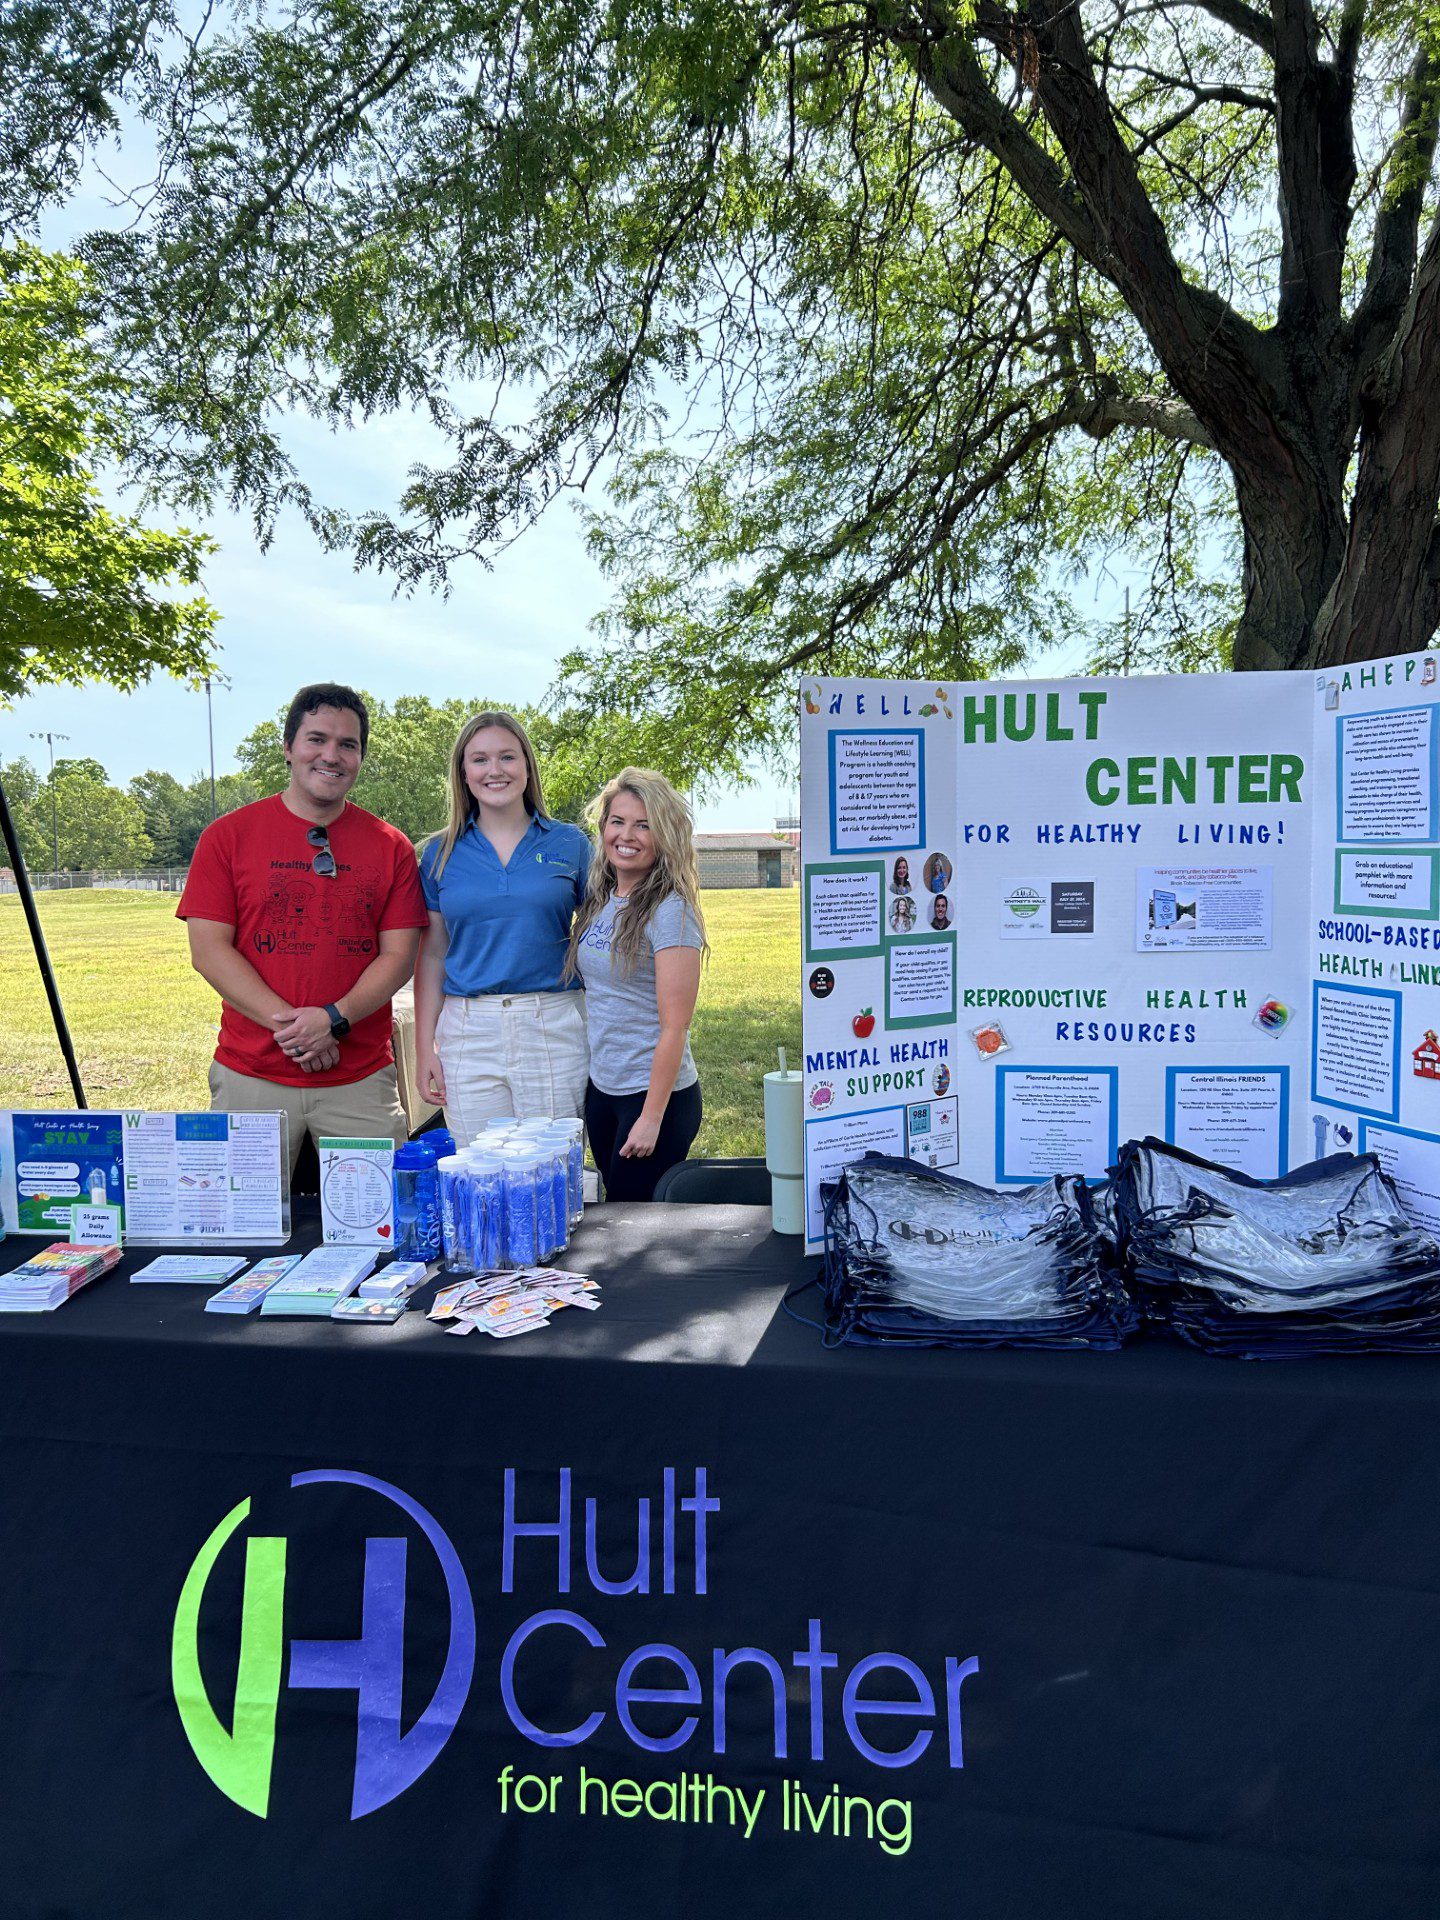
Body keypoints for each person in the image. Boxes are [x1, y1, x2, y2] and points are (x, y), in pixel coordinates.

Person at [177, 683, 428, 1172]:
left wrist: (333, 1019)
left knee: (376, 1213)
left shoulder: (391, 846)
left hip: (360, 1079)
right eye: (317, 739)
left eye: (347, 744)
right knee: (244, 1214)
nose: (331, 755)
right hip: (251, 1074)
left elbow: (400, 956)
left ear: (360, 758)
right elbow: (209, 951)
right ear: (288, 747)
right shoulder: (227, 837)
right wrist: (298, 1032)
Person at [413, 711, 590, 1142]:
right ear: (463, 773)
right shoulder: (439, 852)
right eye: (480, 759)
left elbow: (599, 938)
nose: (495, 770)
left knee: (553, 1166)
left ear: (528, 766)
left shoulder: (571, 843)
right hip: (468, 1031)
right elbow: (432, 954)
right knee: (479, 1170)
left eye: (507, 757)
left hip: (551, 1024)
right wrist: (423, 1049)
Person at [569, 769, 707, 1202]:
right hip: (604, 1088)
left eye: (643, 825)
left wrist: (650, 1117)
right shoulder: (602, 899)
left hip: (653, 1097)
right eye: (618, 821)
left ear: (664, 835)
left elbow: (675, 1027)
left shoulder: (671, 911)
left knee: (630, 1221)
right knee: (616, 1211)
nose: (626, 836)